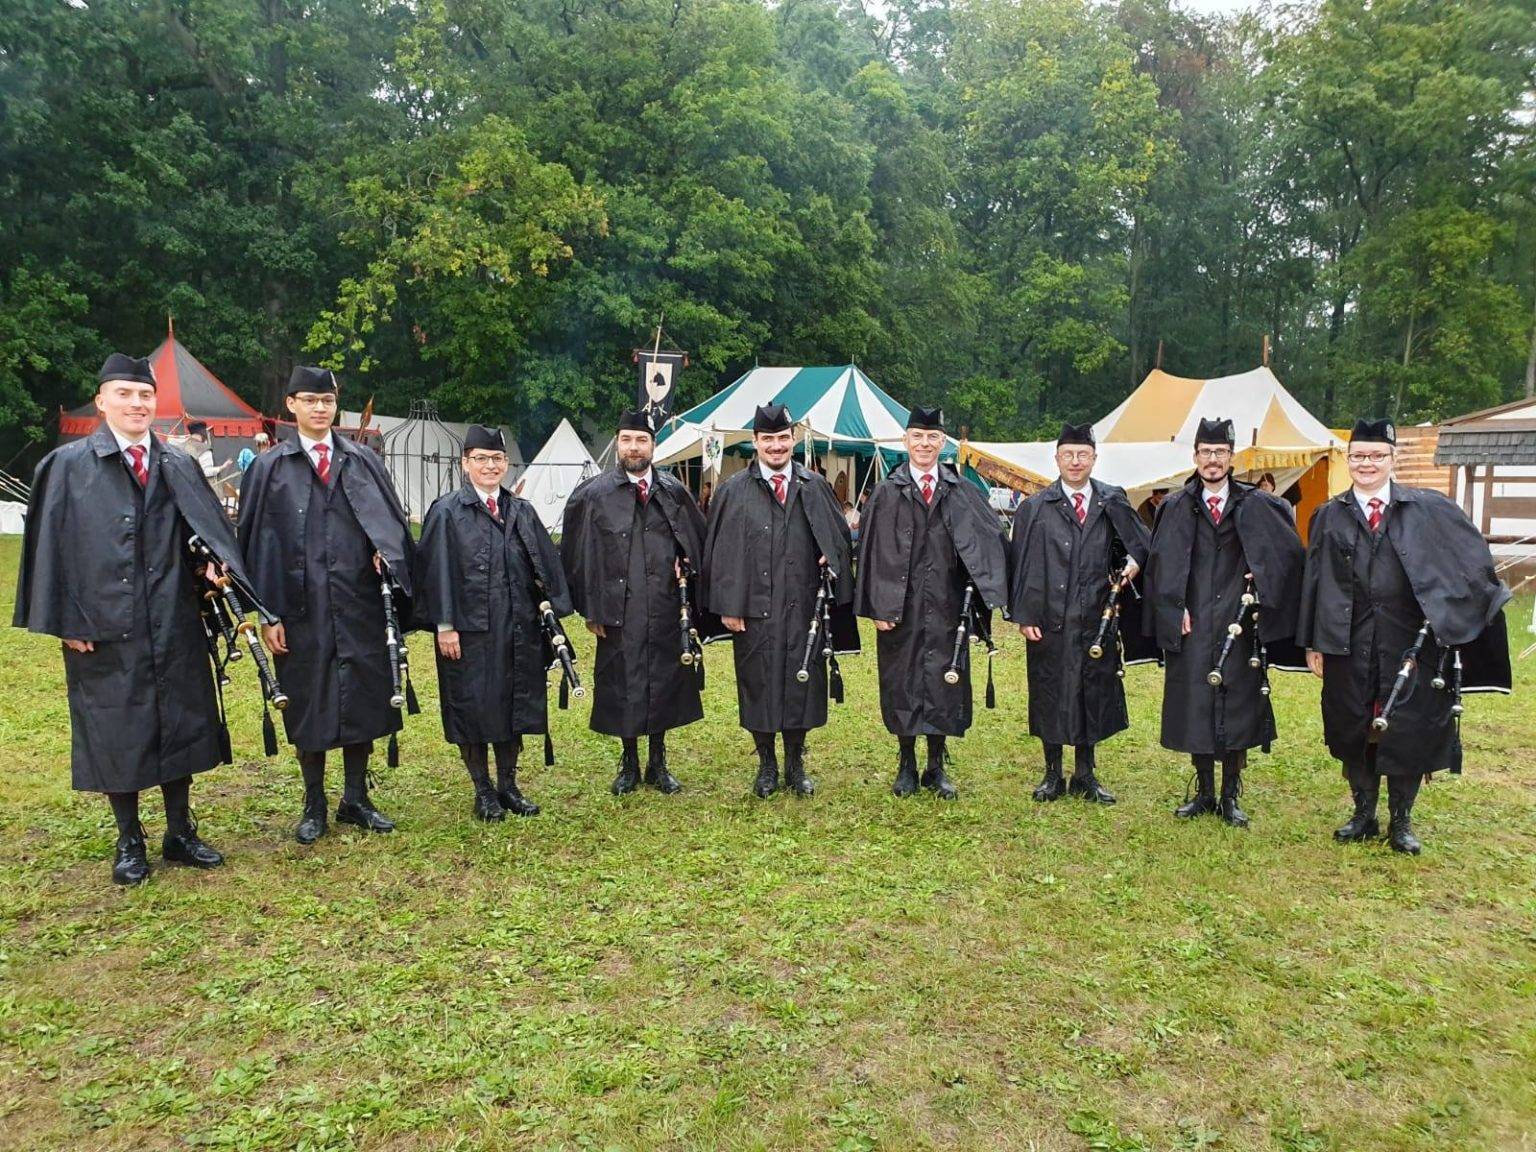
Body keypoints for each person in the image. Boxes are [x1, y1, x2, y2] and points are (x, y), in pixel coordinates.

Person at [14, 353, 250, 885]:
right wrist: (66, 620)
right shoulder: (67, 466)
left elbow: (203, 532)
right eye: (124, 394)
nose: (137, 403)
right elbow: (46, 549)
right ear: (102, 401)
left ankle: (179, 831)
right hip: (101, 623)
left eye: (145, 395)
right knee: (117, 729)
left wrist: (214, 565)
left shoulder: (177, 464)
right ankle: (129, 839)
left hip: (173, 617)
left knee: (180, 722)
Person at [1296, 418, 1511, 853]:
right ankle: (1363, 814)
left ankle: (1401, 820)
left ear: (1393, 459)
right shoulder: (1329, 515)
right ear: (1349, 459)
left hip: (1410, 641)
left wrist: (1452, 610)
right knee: (1354, 725)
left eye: (1377, 456)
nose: (1367, 464)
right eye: (1359, 456)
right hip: (1348, 641)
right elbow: (1314, 581)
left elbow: (1468, 559)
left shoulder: (1428, 509)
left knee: (1408, 728)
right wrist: (1313, 642)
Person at [238, 366, 414, 843]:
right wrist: (267, 613)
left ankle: (355, 797)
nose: (320, 409)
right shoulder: (269, 469)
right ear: (291, 405)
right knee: (308, 700)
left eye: (328, 401)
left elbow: (392, 522)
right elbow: (254, 543)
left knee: (363, 697)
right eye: (310, 400)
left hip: (359, 602)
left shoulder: (363, 461)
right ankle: (313, 802)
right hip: (300, 608)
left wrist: (385, 552)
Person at [1143, 417, 1304, 827]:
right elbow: (1160, 565)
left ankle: (1230, 794)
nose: (1212, 459)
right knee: (1196, 703)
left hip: (1238, 621)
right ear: (1195, 456)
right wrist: (1173, 606)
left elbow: (1288, 555)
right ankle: (1203, 791)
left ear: (1231, 456)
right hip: (1194, 623)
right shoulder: (1175, 506)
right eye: (1205, 452)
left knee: (1238, 705)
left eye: (1220, 452)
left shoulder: (1258, 505)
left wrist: (1262, 574)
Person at [416, 425, 571, 820]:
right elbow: (435, 570)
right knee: (473, 707)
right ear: (465, 463)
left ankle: (508, 785)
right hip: (469, 631)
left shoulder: (521, 510)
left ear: (506, 464)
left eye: (497, 459)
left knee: (512, 704)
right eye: (481, 459)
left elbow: (545, 562)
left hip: (518, 627)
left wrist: (552, 611)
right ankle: (483, 789)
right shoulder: (447, 511)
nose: (490, 466)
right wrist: (445, 625)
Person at [701, 403, 856, 798]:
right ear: (755, 441)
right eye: (768, 439)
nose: (776, 446)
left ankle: (796, 764)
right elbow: (717, 552)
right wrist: (728, 604)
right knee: (759, 685)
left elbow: (840, 540)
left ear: (793, 439)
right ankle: (767, 765)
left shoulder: (814, 485)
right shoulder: (733, 491)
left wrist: (831, 554)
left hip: (803, 609)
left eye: (783, 438)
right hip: (754, 610)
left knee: (802, 683)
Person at [855, 407, 1007, 799]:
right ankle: (906, 763)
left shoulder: (961, 491)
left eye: (932, 438)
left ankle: (936, 766)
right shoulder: (887, 492)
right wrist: (877, 605)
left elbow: (991, 539)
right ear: (905, 441)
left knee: (945, 681)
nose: (924, 444)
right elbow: (868, 552)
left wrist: (984, 595)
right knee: (902, 682)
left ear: (943, 443)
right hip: (899, 608)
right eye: (918, 437)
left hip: (946, 606)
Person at [562, 411, 709, 795]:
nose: (634, 447)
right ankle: (629, 763)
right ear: (618, 443)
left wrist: (687, 562)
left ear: (653, 445)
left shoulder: (673, 491)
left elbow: (697, 539)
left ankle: (658, 762)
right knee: (623, 682)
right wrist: (590, 607)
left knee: (665, 679)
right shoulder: (593, 494)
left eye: (641, 440)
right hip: (618, 608)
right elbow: (576, 555)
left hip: (665, 604)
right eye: (627, 439)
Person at [1008, 422, 1151, 805]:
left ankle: (1085, 773)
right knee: (1050, 691)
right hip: (1049, 618)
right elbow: (1021, 565)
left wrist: (1135, 561)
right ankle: (1053, 774)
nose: (1075, 461)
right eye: (1068, 454)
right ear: (1056, 458)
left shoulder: (1111, 500)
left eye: (1082, 454)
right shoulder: (1035, 507)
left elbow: (1141, 543)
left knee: (1093, 691)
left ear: (1094, 458)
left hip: (1096, 617)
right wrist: (1025, 615)